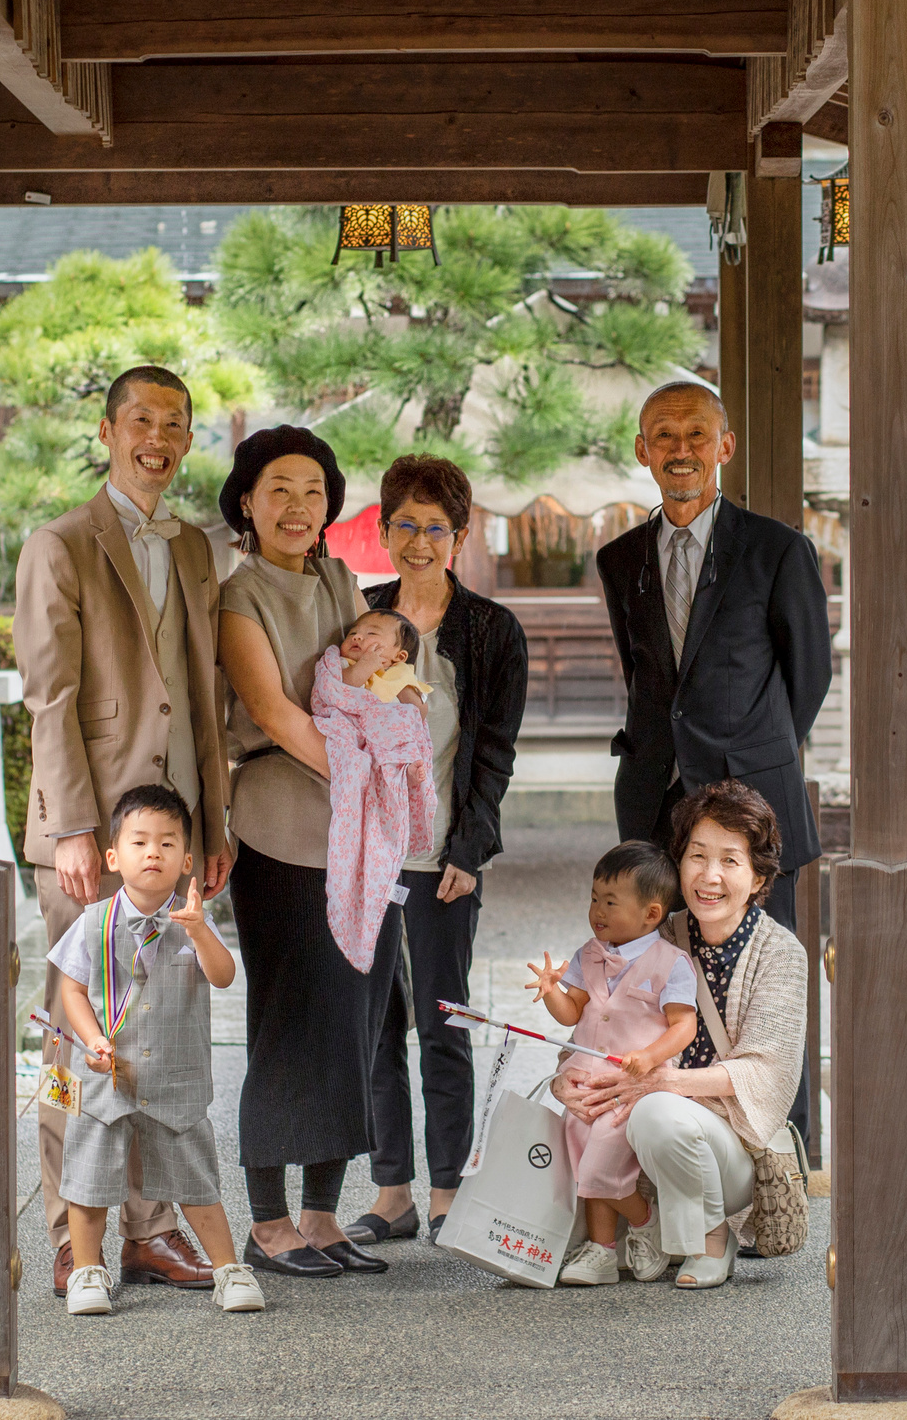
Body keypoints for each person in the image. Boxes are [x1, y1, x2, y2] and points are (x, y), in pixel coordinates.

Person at [13, 365, 232, 1298]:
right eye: (140, 420)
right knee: (83, 1034)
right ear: (107, 431)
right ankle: (75, 1230)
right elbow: (49, 694)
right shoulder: (59, 542)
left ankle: (149, 1230)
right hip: (94, 831)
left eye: (174, 423)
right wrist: (70, 825)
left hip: (173, 834)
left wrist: (213, 821)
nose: (158, 437)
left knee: (164, 1032)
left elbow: (206, 693)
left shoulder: (194, 546)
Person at [596, 379, 830, 1145]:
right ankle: (673, 1149)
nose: (681, 450)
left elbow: (810, 675)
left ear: (724, 447)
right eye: (663, 436)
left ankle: (778, 1159)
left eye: (696, 435)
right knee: (663, 980)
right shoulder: (620, 557)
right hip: (656, 802)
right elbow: (646, 679)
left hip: (753, 802)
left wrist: (752, 758)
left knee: (766, 984)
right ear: (642, 451)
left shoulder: (776, 549)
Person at [215, 424, 397, 1278]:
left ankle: (323, 1213)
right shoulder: (237, 593)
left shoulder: (339, 578)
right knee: (291, 1019)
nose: (298, 506)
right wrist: (365, 775)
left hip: (359, 827)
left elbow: (376, 673)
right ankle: (267, 1219)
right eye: (279, 489)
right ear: (246, 501)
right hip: (283, 820)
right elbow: (277, 713)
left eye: (314, 490)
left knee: (353, 1018)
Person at [353, 455, 529, 1249]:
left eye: (435, 527)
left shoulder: (492, 630)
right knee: (375, 1022)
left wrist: (471, 845)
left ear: (460, 535)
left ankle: (449, 1186)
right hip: (370, 859)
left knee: (441, 1020)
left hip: (441, 861)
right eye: (405, 525)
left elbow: (493, 754)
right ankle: (391, 1188)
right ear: (384, 531)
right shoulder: (359, 614)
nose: (418, 541)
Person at [558, 780, 806, 1289]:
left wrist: (663, 1083)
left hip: (726, 1149)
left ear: (759, 877)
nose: (710, 876)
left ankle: (712, 1238)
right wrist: (565, 1078)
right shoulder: (655, 935)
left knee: (658, 1112)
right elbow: (597, 1021)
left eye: (731, 861)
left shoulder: (780, 954)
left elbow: (766, 1070)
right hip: (628, 1134)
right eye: (698, 856)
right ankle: (651, 1226)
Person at [50, 785, 264, 1317]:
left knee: (194, 1174)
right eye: (140, 841)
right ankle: (86, 1270)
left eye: (167, 844)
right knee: (89, 1175)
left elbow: (223, 976)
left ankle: (228, 1269)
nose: (153, 853)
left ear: (186, 861)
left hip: (174, 1075)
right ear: (112, 856)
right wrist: (92, 1036)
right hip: (105, 1073)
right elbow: (71, 991)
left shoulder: (193, 920)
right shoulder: (94, 919)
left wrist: (200, 934)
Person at [524, 840, 698, 1286]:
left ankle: (644, 1223)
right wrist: (552, 994)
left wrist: (650, 1056)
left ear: (651, 914)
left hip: (630, 1085)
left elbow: (683, 1026)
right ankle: (601, 1252)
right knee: (582, 1161)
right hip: (585, 1080)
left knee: (599, 1165)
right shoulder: (589, 952)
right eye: (594, 899)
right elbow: (573, 1012)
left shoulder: (671, 964)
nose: (597, 910)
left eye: (610, 902)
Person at [311, 610, 437, 973]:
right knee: (357, 762)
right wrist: (365, 663)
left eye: (371, 634)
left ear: (398, 655)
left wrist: (403, 697)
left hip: (385, 738)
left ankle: (407, 776)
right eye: (353, 631)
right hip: (349, 728)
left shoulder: (400, 674)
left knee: (406, 731)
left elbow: (417, 713)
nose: (357, 638)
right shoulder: (339, 663)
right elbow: (336, 692)